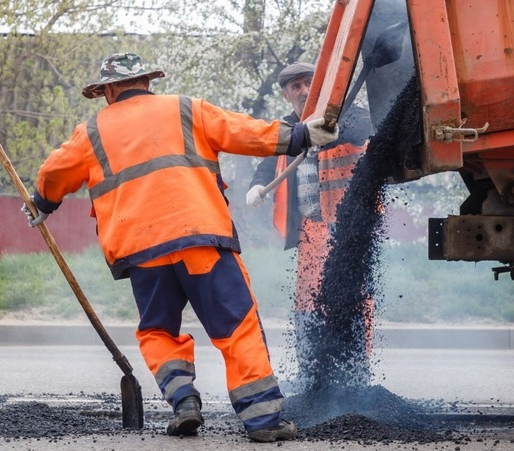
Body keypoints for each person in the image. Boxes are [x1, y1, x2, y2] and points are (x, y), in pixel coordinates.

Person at [21, 52, 337, 442]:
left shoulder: (90, 131)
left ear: (107, 91)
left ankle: (183, 401)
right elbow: (244, 132)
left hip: (141, 252)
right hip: (199, 238)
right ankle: (263, 420)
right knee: (236, 325)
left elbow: (55, 173)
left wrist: (42, 202)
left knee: (158, 329)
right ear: (147, 82)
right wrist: (302, 135)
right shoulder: (186, 109)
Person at [245, 63, 374, 384]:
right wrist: (257, 186)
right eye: (295, 87)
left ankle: (356, 373)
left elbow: (362, 130)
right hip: (311, 228)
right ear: (286, 94)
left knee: (355, 297)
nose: (303, 91)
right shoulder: (287, 128)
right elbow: (267, 156)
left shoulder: (348, 113)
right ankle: (312, 373)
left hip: (349, 228)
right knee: (308, 299)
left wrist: (325, 131)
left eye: (308, 84)